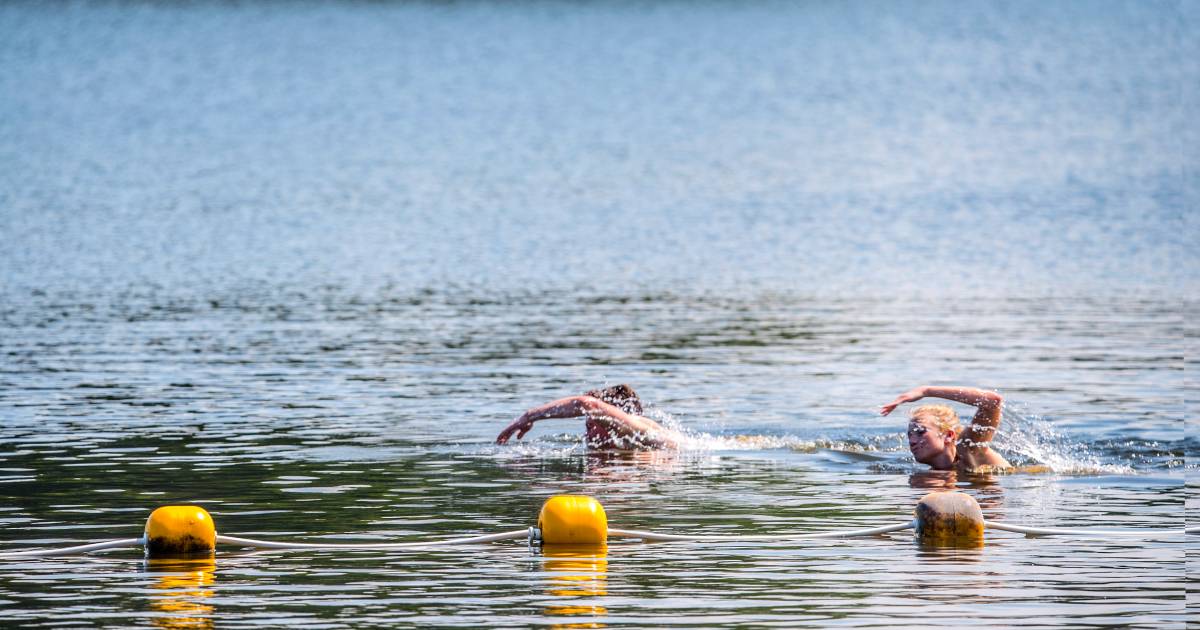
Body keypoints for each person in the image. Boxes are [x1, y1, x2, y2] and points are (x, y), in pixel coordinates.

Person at [496, 384, 682, 449]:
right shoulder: (622, 443)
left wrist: (529, 416)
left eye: (596, 423)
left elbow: (587, 404)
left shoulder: (643, 430)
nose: (589, 432)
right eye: (588, 426)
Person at [880, 385, 1012, 471]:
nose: (912, 441)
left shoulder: (969, 448)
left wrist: (926, 391)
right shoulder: (932, 473)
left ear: (948, 436)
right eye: (910, 435)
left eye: (920, 432)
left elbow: (992, 402)